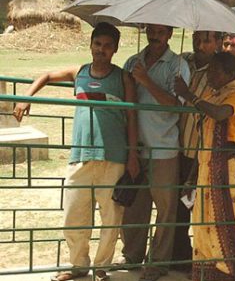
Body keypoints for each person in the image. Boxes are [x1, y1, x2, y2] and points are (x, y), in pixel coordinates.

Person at [13, 22, 138, 281]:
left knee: (111, 217)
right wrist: (26, 97)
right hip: (80, 156)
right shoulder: (79, 72)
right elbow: (46, 76)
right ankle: (78, 265)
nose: (101, 50)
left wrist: (132, 156)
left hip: (113, 157)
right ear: (91, 45)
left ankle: (101, 266)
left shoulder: (123, 77)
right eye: (97, 44)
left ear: (115, 49)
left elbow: (132, 117)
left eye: (107, 46)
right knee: (73, 215)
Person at [116, 24, 191, 281]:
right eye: (152, 30)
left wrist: (145, 80)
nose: (155, 36)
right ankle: (132, 255)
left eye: (161, 31)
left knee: (165, 209)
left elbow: (175, 107)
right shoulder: (132, 61)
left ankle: (157, 264)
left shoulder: (178, 66)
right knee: (135, 207)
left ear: (170, 34)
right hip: (136, 147)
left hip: (164, 147)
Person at [174, 52, 235, 281]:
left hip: (228, 169)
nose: (209, 76)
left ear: (230, 74)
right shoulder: (213, 92)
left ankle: (225, 273)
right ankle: (205, 272)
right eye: (209, 71)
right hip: (208, 165)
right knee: (203, 221)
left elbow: (220, 114)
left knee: (225, 222)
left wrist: (189, 95)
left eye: (215, 72)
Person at [173, 30, 220, 272]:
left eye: (207, 40)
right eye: (197, 38)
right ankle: (178, 253)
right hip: (177, 141)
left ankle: (199, 258)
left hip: (201, 148)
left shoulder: (219, 72)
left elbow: (213, 107)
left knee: (196, 205)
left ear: (218, 43)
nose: (200, 44)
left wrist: (186, 93)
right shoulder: (182, 61)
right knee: (177, 203)